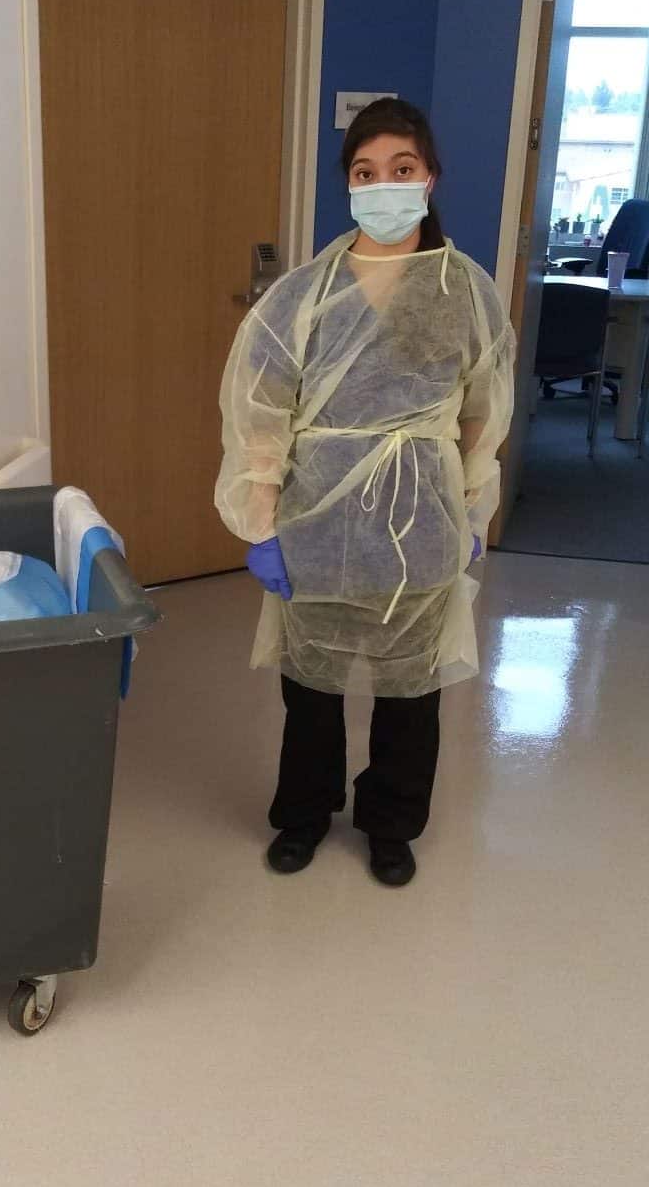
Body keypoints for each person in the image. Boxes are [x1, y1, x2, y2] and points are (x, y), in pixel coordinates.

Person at [215, 97, 514, 887]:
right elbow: (259, 413)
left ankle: (391, 822)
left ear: (431, 178)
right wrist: (262, 522)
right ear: (348, 187)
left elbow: (485, 413)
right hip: (317, 515)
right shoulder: (305, 294)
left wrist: (475, 506)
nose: (385, 186)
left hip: (421, 518)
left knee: (410, 688)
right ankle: (304, 816)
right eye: (366, 172)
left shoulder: (465, 292)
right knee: (310, 685)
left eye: (401, 170)